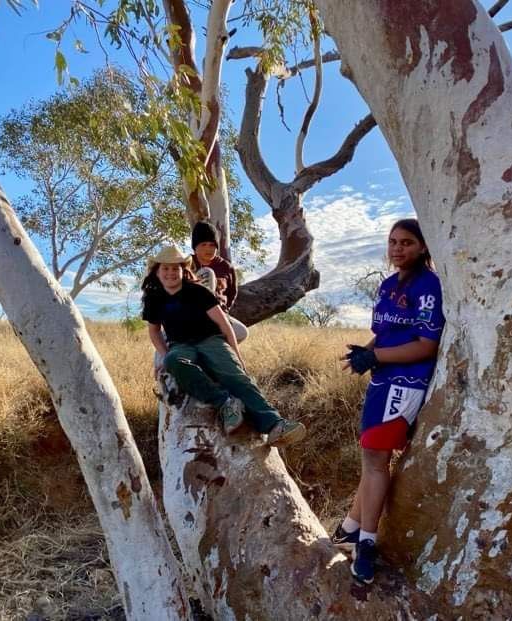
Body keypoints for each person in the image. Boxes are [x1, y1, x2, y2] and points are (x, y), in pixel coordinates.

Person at [334, 218, 445, 584]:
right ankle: (350, 527)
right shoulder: (387, 285)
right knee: (372, 459)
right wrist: (364, 353)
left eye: (407, 242)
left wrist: (377, 357)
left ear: (423, 247)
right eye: (393, 242)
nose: (398, 248)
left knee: (375, 461)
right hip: (383, 380)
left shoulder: (429, 285)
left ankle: (367, 543)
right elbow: (383, 334)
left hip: (405, 383)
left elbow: (426, 345)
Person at [142, 244, 306, 447]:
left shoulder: (198, 292)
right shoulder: (154, 299)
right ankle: (225, 403)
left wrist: (236, 354)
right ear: (157, 272)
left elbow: (224, 324)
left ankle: (275, 425)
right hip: (181, 345)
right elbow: (154, 331)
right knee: (174, 362)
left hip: (210, 340)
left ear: (183, 270)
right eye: (165, 268)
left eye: (175, 268)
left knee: (234, 375)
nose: (171, 273)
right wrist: (164, 354)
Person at [190, 221, 249, 343]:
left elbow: (232, 293)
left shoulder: (226, 267)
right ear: (195, 247)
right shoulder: (185, 264)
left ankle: (214, 346)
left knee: (241, 332)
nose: (208, 249)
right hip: (189, 315)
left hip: (218, 315)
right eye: (203, 244)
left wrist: (223, 310)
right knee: (165, 345)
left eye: (212, 245)